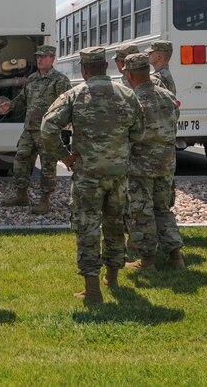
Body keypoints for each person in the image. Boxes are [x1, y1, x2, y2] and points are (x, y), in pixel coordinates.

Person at [41, 46, 145, 304]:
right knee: (115, 225)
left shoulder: (75, 95)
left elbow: (47, 127)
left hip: (88, 175)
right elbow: (139, 131)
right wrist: (120, 149)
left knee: (87, 228)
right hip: (118, 174)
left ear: (85, 70)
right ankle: (112, 277)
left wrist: (63, 155)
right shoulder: (127, 95)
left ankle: (92, 288)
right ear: (107, 67)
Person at [122, 53, 186, 270]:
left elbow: (126, 134)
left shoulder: (132, 100)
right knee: (162, 209)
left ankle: (147, 260)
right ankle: (176, 257)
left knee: (141, 212)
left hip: (140, 167)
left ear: (130, 74)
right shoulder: (167, 96)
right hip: (166, 164)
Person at [0, 45, 71, 214]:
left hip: (47, 132)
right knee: (20, 161)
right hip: (29, 130)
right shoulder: (31, 79)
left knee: (47, 166)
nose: (39, 59)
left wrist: (63, 124)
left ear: (52, 58)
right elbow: (22, 98)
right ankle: (21, 195)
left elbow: (66, 105)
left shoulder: (60, 80)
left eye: (44, 57)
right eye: (38, 56)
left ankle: (45, 200)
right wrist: (10, 105)